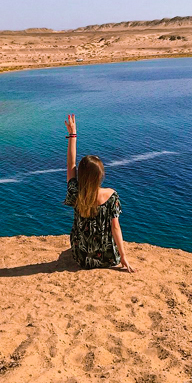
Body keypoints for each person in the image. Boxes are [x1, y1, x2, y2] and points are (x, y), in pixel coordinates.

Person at [63, 114, 135, 272]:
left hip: (82, 257)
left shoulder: (76, 192)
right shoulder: (111, 196)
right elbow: (115, 228)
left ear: (80, 174)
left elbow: (71, 164)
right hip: (107, 258)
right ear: (100, 176)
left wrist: (73, 135)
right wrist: (123, 256)